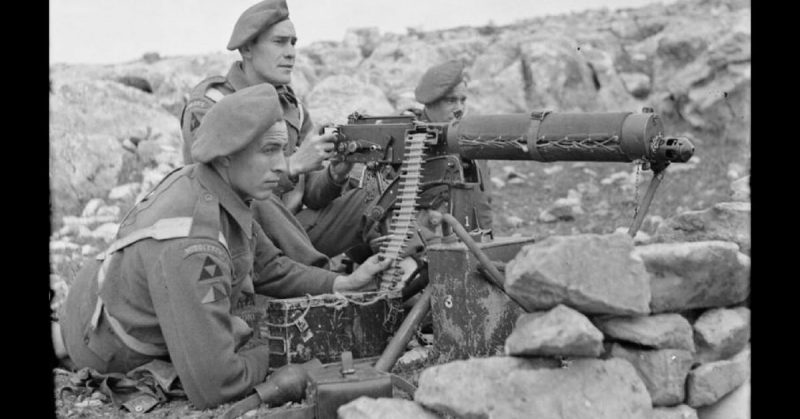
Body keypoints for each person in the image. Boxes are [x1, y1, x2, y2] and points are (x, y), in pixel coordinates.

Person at [59, 84, 391, 409]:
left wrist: (340, 284)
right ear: (227, 157)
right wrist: (287, 349)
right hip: (103, 341)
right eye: (268, 150)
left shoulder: (215, 185)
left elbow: (268, 266)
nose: (282, 164)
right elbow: (216, 386)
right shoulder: (194, 245)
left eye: (283, 149)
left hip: (101, 295)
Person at [180, 0, 376, 266]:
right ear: (247, 48)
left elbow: (313, 196)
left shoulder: (291, 107)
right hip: (235, 233)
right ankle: (326, 280)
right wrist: (292, 165)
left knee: (377, 193)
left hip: (293, 232)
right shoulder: (212, 103)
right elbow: (213, 183)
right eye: (279, 42)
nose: (291, 52)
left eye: (293, 43)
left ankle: (404, 277)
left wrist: (334, 175)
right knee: (254, 194)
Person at [407, 59, 494, 241]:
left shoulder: (467, 139)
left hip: (465, 240)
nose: (459, 109)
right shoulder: (409, 137)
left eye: (463, 100)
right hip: (419, 240)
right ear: (430, 104)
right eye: (451, 101)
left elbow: (482, 201)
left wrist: (487, 240)